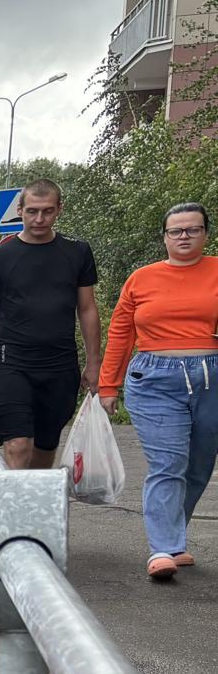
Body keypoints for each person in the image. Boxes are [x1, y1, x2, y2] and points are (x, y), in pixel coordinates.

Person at [97, 202, 218, 583]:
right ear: (164, 237)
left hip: (211, 376)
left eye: (192, 230)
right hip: (154, 380)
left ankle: (175, 538)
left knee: (199, 465)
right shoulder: (142, 279)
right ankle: (162, 548)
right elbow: (121, 333)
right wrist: (107, 385)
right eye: (176, 231)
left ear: (205, 233)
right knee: (168, 462)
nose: (184, 236)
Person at [0, 179, 101, 469]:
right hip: (12, 364)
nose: (39, 219)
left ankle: (33, 508)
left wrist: (94, 363)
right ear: (19, 210)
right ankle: (12, 511)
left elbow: (87, 310)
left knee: (45, 448)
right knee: (17, 444)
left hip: (60, 365)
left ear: (59, 210)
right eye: (32, 211)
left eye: (47, 211)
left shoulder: (77, 254)